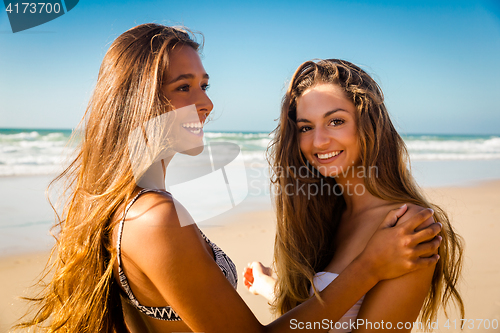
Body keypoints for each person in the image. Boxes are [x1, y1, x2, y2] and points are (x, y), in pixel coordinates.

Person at [16, 25, 443, 333]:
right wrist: (368, 268)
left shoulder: (135, 207)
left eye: (203, 84)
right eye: (184, 87)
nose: (206, 102)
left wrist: (278, 288)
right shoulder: (153, 217)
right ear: (138, 101)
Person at [243, 59, 464, 332]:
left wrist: (369, 266)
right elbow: (323, 305)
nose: (319, 141)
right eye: (305, 127)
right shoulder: (325, 213)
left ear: (369, 124)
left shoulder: (407, 227)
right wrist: (269, 286)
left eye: (336, 121)